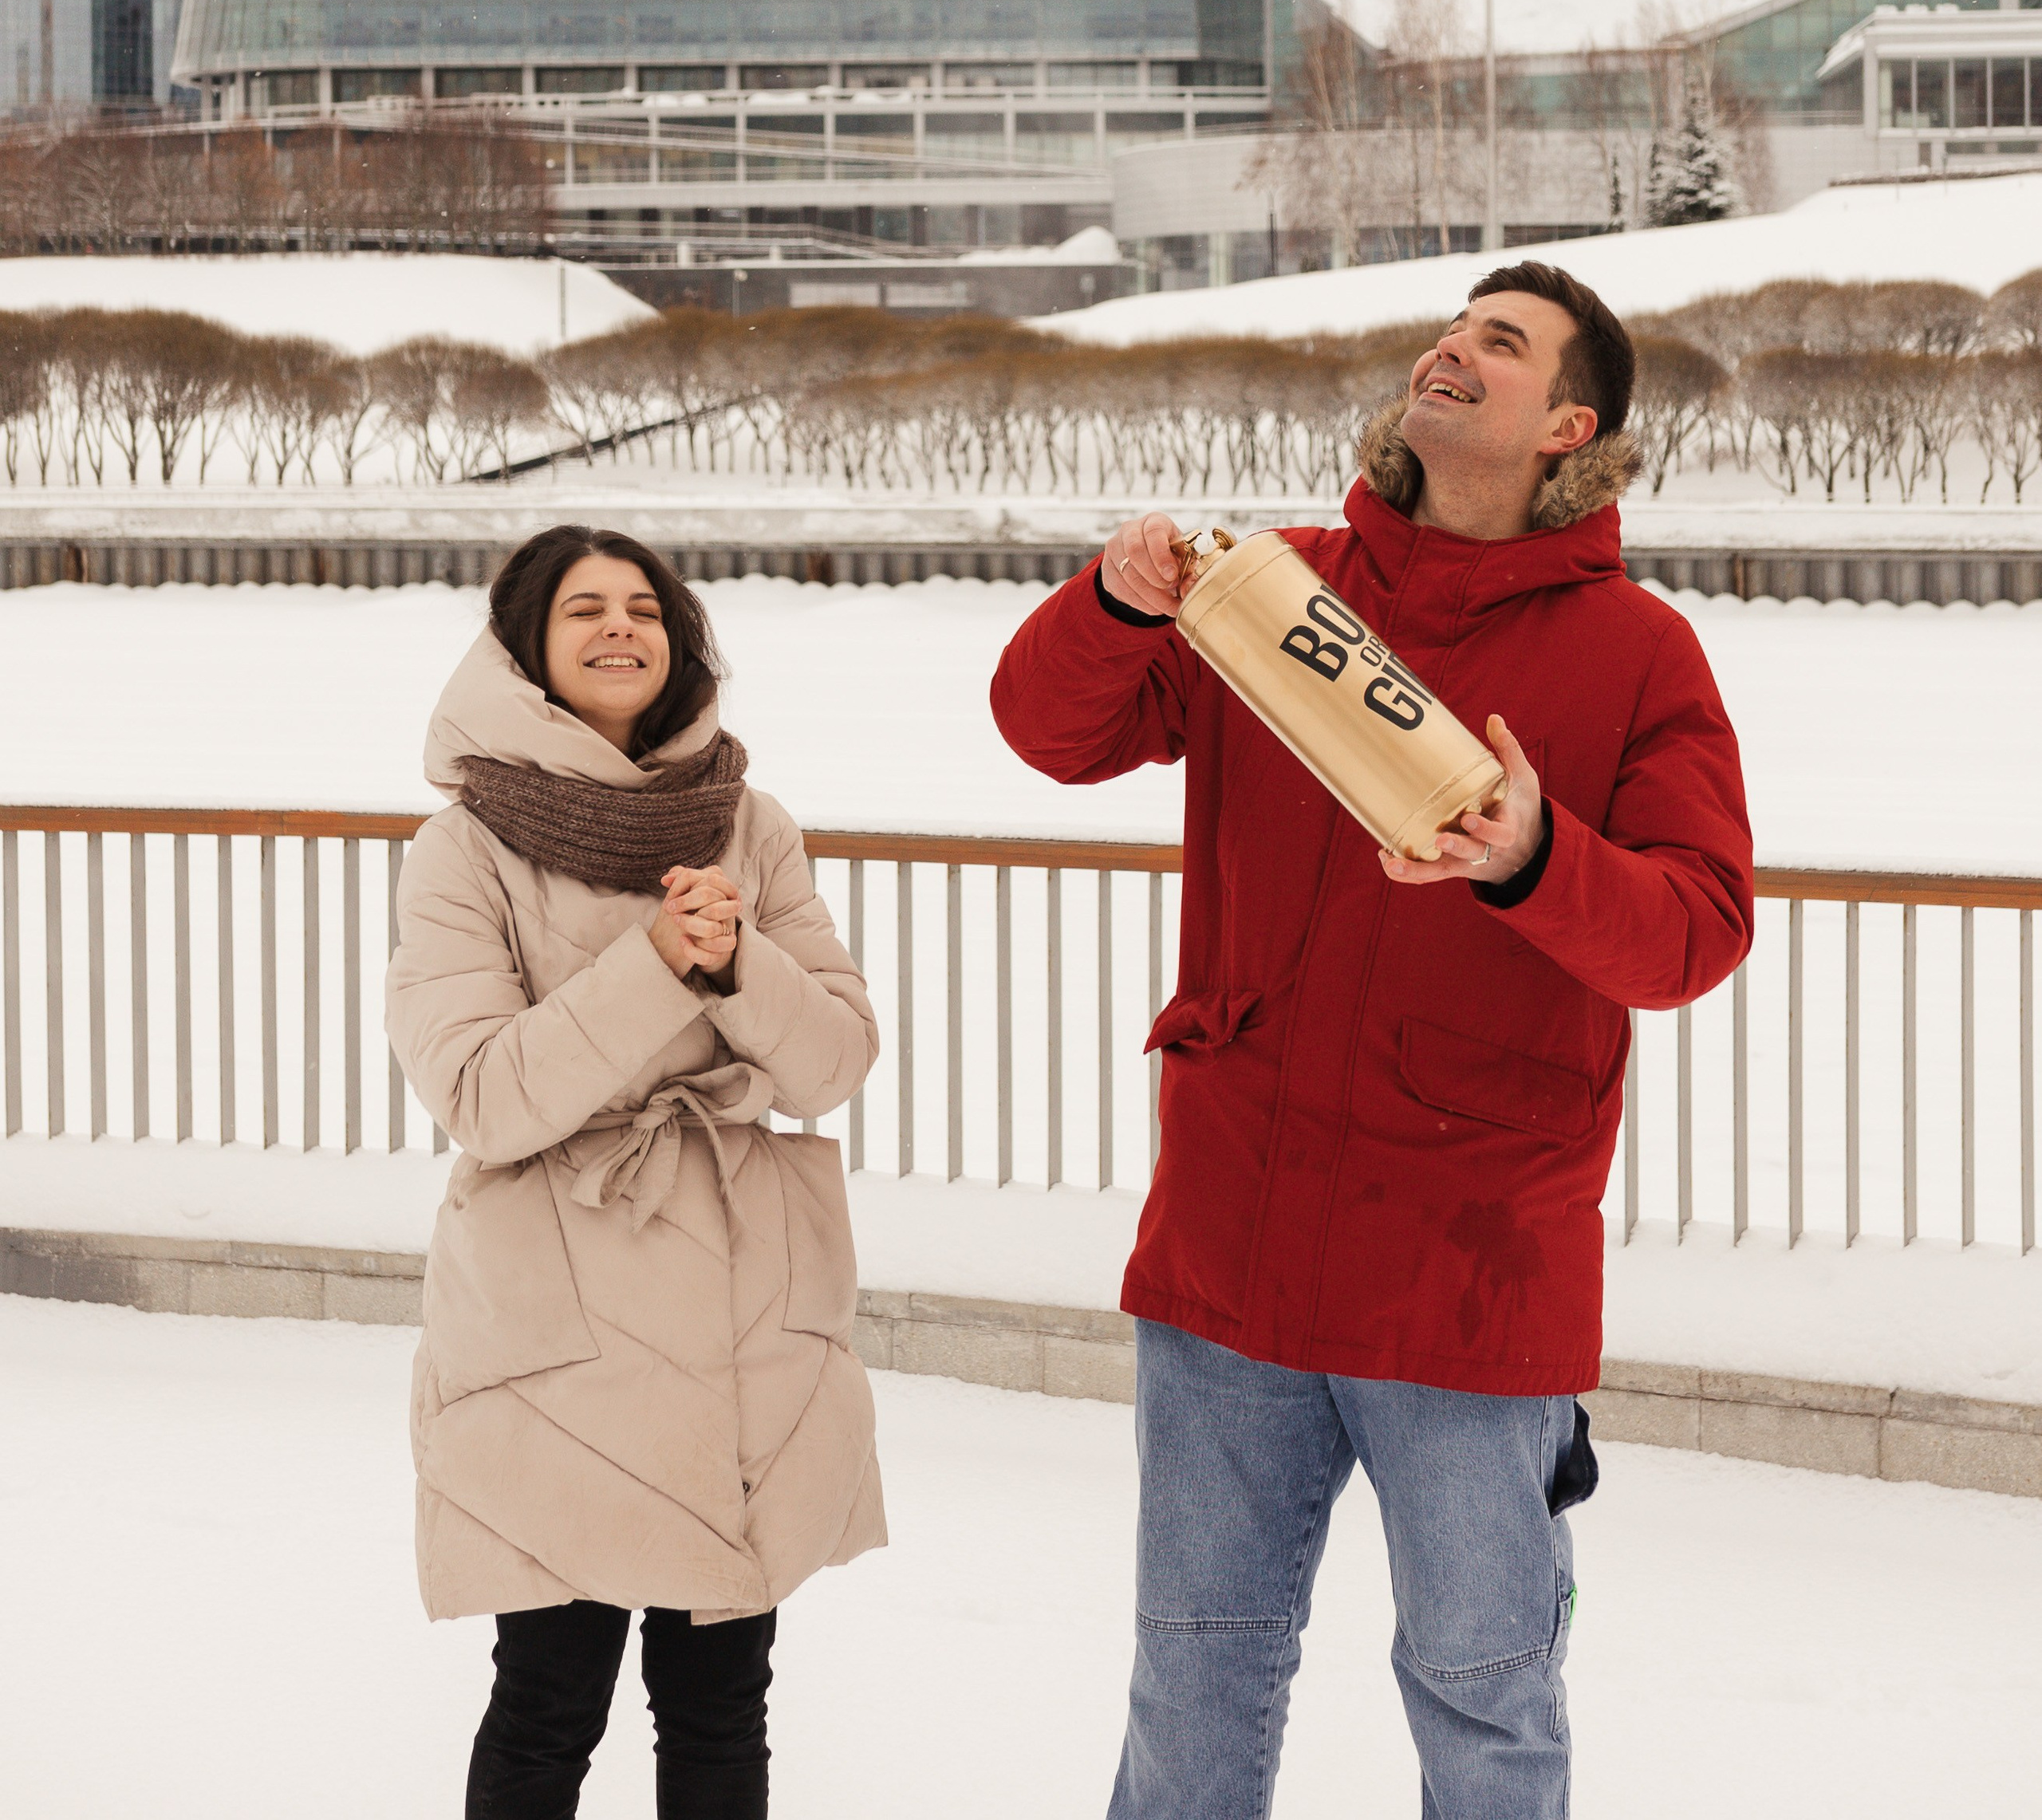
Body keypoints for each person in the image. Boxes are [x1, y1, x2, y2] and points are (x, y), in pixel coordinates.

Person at [989, 262, 1752, 1820]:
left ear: (1568, 424)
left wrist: (1536, 858)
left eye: (1499, 341)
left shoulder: (1635, 657)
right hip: (1230, 1252)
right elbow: (1049, 731)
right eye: (1450, 327)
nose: (1450, 350)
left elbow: (1692, 932)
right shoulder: (1276, 595)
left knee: (1482, 1694)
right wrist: (1116, 607)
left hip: (1465, 1276)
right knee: (1194, 1670)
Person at [386, 522, 883, 1820]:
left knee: (724, 1702)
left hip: (738, 1321)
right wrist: (657, 965)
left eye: (645, 609)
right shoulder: (463, 847)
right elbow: (481, 1096)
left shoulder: (749, 823)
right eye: (584, 610)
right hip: (557, 1319)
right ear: (527, 651)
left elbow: (832, 1062)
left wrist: (737, 965)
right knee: (551, 1694)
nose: (621, 628)